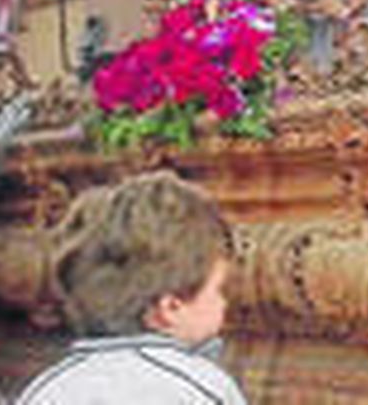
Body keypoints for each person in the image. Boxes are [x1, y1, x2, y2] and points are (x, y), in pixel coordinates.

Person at [14, 171, 247, 404]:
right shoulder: (203, 389)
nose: (224, 303)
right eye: (218, 290)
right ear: (170, 308)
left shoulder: (49, 387)